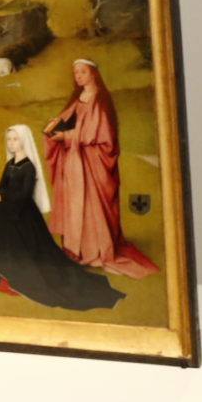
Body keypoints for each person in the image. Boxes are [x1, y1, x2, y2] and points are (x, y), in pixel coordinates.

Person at [0, 124, 125, 310]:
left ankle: (22, 277)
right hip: (8, 212)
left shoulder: (28, 167)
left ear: (23, 141)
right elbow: (4, 186)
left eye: (15, 139)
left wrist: (2, 197)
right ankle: (6, 275)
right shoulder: (10, 164)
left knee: (29, 252)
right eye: (9, 139)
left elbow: (24, 195)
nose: (11, 143)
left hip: (22, 215)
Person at [43, 58, 159, 277]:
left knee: (92, 206)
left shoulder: (100, 101)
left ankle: (94, 251)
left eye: (83, 72)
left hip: (93, 163)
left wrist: (66, 135)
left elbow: (102, 135)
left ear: (94, 74)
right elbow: (70, 122)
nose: (78, 76)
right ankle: (74, 250)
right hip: (75, 162)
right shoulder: (78, 99)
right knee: (75, 203)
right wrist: (55, 127)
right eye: (76, 72)